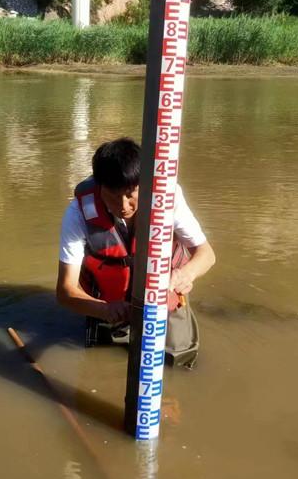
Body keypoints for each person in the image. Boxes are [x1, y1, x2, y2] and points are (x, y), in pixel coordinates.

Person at [56, 137, 215, 366]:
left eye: (130, 194)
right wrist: (105, 309)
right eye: (112, 195)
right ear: (99, 187)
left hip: (162, 299)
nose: (123, 205)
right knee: (103, 369)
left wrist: (184, 274)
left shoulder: (167, 198)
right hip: (111, 306)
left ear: (144, 183)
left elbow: (206, 254)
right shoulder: (78, 213)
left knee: (180, 359)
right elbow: (65, 291)